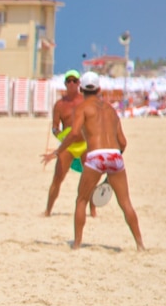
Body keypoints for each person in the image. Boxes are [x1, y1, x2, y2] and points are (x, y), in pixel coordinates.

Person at [42, 72, 144, 251]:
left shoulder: (81, 108)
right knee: (125, 202)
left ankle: (77, 244)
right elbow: (123, 142)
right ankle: (140, 244)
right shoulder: (111, 110)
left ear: (81, 89)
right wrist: (114, 160)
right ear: (99, 89)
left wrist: (58, 151)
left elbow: (74, 133)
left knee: (81, 200)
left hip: (96, 155)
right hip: (115, 155)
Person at [45, 70, 95, 218]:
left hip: (85, 143)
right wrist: (59, 134)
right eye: (69, 81)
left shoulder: (85, 101)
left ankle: (93, 211)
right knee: (58, 177)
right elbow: (55, 127)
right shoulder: (60, 105)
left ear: (79, 83)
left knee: (90, 178)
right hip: (68, 145)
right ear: (65, 84)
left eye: (74, 81)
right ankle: (48, 211)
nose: (72, 83)